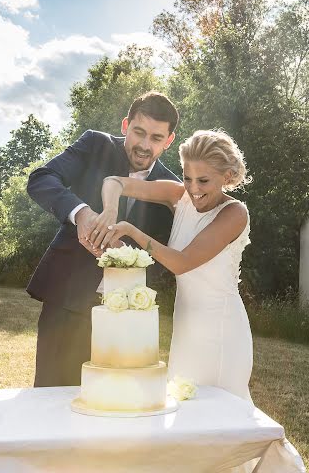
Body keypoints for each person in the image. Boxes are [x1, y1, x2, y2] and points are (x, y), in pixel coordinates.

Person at [26, 91, 180, 387]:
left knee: (113, 406)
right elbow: (41, 179)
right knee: (52, 396)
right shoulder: (95, 143)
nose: (145, 145)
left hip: (126, 315)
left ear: (169, 140)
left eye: (157, 138)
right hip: (67, 301)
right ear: (125, 126)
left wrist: (129, 260)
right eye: (139, 132)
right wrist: (80, 213)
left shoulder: (173, 187)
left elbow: (167, 254)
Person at [90, 129, 253, 401]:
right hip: (185, 325)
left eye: (203, 180)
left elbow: (183, 263)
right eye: (188, 178)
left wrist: (132, 231)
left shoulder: (234, 213)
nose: (193, 188)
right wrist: (110, 209)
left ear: (226, 177)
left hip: (221, 329)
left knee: (223, 414)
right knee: (184, 409)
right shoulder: (179, 196)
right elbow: (113, 182)